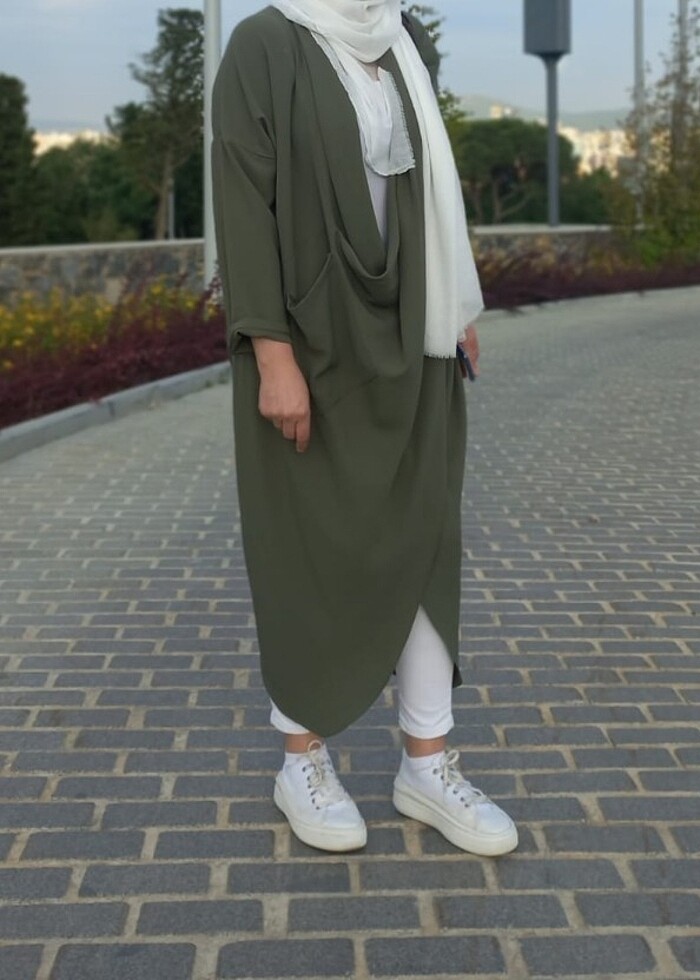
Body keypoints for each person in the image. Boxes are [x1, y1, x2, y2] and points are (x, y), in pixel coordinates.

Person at [212, 0, 518, 857]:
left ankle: (427, 764)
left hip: (415, 331)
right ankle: (301, 760)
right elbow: (244, 203)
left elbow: (427, 191)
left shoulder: (402, 38)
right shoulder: (265, 43)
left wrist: (454, 306)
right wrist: (272, 354)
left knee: (426, 537)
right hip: (309, 346)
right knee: (306, 548)